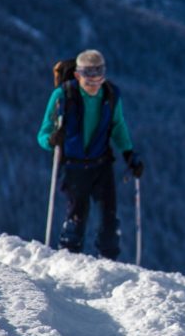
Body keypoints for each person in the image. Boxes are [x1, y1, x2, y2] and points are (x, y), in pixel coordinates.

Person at [37, 49, 144, 259]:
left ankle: (108, 263)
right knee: (77, 217)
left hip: (101, 165)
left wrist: (129, 154)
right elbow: (44, 133)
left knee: (109, 220)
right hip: (74, 167)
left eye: (99, 74)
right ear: (78, 75)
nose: (94, 81)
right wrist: (51, 140)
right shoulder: (62, 96)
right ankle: (68, 260)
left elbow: (118, 127)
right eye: (89, 75)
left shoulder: (111, 95)